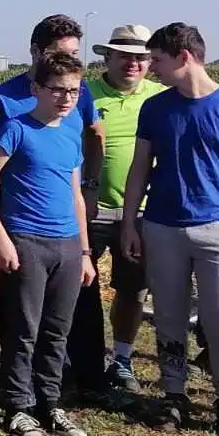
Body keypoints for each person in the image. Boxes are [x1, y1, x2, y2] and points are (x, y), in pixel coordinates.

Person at [121, 23, 219, 436]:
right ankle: (174, 394)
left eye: (157, 60)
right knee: (169, 315)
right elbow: (139, 169)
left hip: (218, 228)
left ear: (184, 57)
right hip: (162, 227)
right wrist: (130, 223)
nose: (151, 69)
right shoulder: (156, 108)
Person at [0, 14, 107, 403]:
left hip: (66, 239)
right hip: (24, 232)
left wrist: (84, 250)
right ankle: (18, 399)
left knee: (58, 326)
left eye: (73, 90)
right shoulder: (9, 114)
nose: (67, 97)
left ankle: (54, 397)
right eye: (58, 89)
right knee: (23, 324)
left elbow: (76, 184)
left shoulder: (71, 123)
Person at [84, 25, 162, 397]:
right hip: (91, 208)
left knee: (133, 290)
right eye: (124, 56)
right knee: (81, 286)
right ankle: (80, 356)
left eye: (141, 57)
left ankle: (122, 358)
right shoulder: (84, 93)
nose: (133, 64)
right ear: (108, 58)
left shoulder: (160, 97)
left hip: (142, 211)